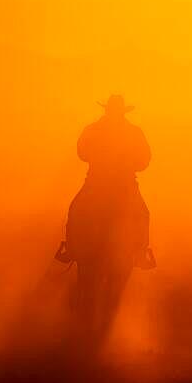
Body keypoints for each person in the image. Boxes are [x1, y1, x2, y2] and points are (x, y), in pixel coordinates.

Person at [57, 95, 155, 269]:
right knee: (142, 214)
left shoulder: (93, 129)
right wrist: (130, 163)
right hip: (125, 185)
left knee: (75, 210)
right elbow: (145, 159)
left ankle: (71, 248)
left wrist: (98, 157)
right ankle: (141, 254)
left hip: (96, 183)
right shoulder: (134, 131)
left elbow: (81, 152)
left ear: (107, 110)